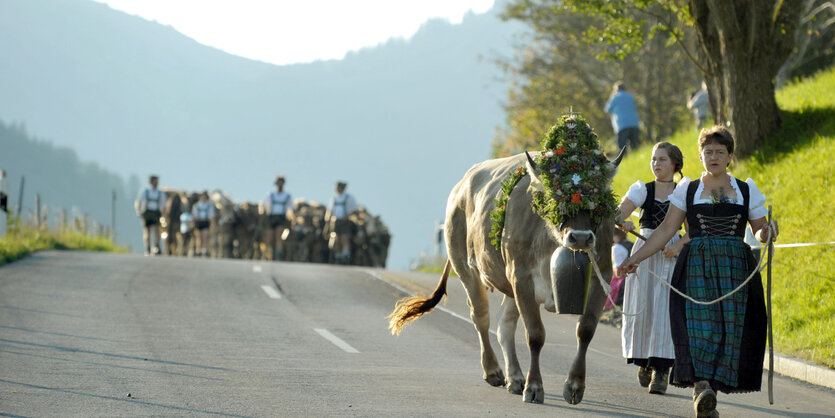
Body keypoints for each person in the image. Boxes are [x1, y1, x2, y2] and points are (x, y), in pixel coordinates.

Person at [617, 126, 778, 417]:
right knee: (699, 329)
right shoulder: (688, 190)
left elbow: (759, 231)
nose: (713, 156)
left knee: (728, 332)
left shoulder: (745, 190)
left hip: (734, 269)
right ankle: (701, 386)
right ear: (700, 156)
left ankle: (710, 393)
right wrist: (636, 258)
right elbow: (667, 230)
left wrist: (770, 231)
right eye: (708, 152)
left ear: (730, 156)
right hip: (696, 268)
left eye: (720, 152)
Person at [616, 142, 689, 396]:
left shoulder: (685, 191)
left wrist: (678, 245)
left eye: (662, 159)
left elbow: (692, 232)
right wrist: (623, 221)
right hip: (645, 253)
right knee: (644, 307)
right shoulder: (642, 190)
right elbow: (620, 212)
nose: (656, 164)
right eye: (654, 159)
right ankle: (644, 360)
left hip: (670, 254)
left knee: (665, 311)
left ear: (674, 164)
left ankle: (662, 369)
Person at [326, 181, 358, 264]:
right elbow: (330, 210)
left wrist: (347, 216)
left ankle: (346, 257)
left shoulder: (349, 197)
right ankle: (338, 256)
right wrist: (328, 220)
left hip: (345, 220)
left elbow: (355, 209)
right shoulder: (334, 198)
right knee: (337, 239)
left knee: (345, 238)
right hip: (336, 221)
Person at [263, 175, 294, 261]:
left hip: (281, 217)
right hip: (271, 217)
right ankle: (270, 254)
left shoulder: (287, 196)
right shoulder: (271, 195)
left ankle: (278, 256)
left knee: (279, 237)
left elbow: (291, 208)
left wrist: (293, 218)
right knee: (270, 238)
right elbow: (264, 206)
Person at [134, 175, 167, 255]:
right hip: (148, 212)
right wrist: (138, 211)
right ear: (151, 182)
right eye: (155, 181)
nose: (156, 183)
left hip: (156, 212)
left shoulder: (160, 193)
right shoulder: (146, 191)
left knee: (157, 230)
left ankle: (156, 246)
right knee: (147, 231)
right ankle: (148, 247)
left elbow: (164, 205)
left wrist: (164, 215)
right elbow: (138, 201)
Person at [604, 81, 641, 151]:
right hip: (634, 123)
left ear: (616, 90)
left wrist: (611, 96)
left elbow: (607, 109)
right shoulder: (630, 97)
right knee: (635, 147)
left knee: (622, 149)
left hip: (621, 125)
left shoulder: (614, 98)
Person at [605, 228, 631, 311]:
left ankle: (611, 307)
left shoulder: (617, 248)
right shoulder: (630, 244)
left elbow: (618, 271)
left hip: (622, 277)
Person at [192, 191, 216, 257]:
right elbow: (194, 215)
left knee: (205, 236)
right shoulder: (197, 205)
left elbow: (212, 215)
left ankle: (205, 250)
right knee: (199, 236)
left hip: (206, 222)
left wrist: (212, 224)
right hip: (199, 222)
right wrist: (194, 223)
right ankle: (198, 250)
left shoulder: (209, 205)